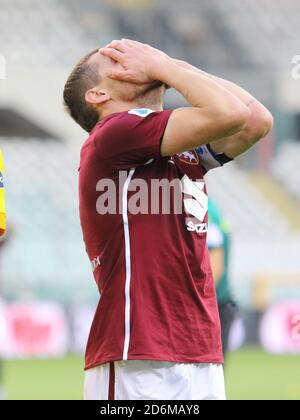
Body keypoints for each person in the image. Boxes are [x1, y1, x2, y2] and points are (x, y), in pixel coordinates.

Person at [63, 39, 273, 400]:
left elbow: (256, 120)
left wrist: (166, 63)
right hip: (138, 347)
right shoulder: (112, 134)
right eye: (115, 59)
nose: (133, 58)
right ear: (97, 95)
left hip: (200, 347)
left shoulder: (179, 150)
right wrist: (163, 67)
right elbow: (230, 114)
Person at [208, 199, 237, 364]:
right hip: (221, 302)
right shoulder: (213, 210)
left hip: (212, 306)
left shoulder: (205, 212)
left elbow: (215, 267)